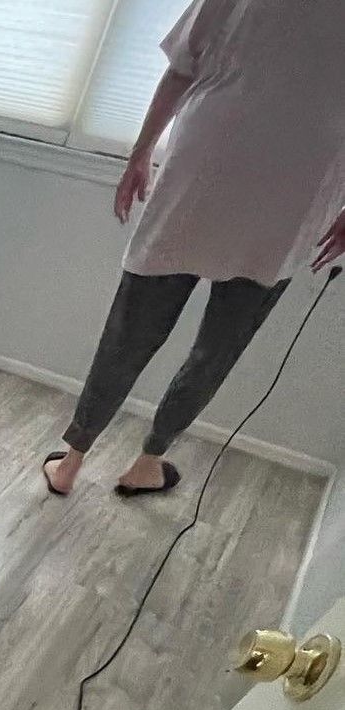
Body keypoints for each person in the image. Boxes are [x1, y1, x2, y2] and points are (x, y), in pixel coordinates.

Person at [43, 0, 345, 497]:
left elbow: (182, 69)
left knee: (130, 331)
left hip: (204, 167)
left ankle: (71, 462)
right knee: (218, 348)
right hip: (298, 193)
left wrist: (141, 151)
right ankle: (148, 462)